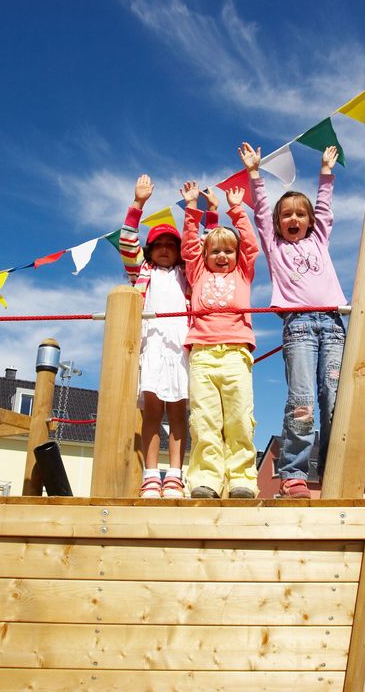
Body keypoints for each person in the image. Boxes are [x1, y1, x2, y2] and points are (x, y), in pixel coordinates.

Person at [240, 141, 348, 499]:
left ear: (310, 222)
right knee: (302, 399)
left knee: (335, 398)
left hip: (334, 326)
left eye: (300, 214)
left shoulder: (319, 241)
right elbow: (260, 212)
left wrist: (326, 173)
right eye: (286, 214)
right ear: (278, 223)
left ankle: (336, 469)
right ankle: (293, 474)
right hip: (299, 327)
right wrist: (255, 173)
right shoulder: (275, 247)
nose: (293, 219)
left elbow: (325, 207)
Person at [119, 175, 219, 499]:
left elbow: (204, 246)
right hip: (151, 344)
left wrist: (208, 213)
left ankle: (175, 473)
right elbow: (127, 242)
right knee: (152, 410)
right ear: (150, 250)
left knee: (178, 410)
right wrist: (138, 204)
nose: (164, 250)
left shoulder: (187, 273)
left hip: (180, 344)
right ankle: (151, 473)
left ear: (178, 252)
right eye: (158, 245)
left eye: (170, 246)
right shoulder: (142, 272)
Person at [179, 180, 260, 499]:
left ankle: (243, 478)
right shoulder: (198, 273)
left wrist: (237, 210)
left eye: (229, 250)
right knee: (204, 419)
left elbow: (251, 245)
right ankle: (207, 480)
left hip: (236, 352)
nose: (223, 256)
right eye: (215, 251)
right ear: (206, 254)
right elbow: (189, 246)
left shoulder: (243, 272)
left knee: (239, 417)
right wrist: (191, 209)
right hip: (202, 353)